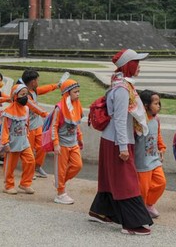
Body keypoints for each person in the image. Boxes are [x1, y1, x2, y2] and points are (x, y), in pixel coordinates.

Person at [89, 49, 153, 236]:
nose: (139, 66)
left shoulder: (120, 84)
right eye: (136, 62)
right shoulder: (123, 89)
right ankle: (131, 223)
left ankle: (101, 210)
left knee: (111, 178)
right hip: (118, 141)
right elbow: (119, 120)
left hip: (114, 139)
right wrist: (123, 147)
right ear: (128, 65)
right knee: (127, 181)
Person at [18, 69, 62, 178]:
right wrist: (48, 115)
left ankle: (37, 166)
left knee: (42, 146)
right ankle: (28, 171)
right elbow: (34, 106)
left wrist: (56, 86)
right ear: (32, 82)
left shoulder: (34, 90)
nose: (38, 82)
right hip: (27, 126)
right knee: (28, 150)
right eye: (37, 80)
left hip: (37, 124)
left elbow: (44, 89)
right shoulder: (24, 94)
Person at [50, 79, 83, 204]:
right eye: (75, 92)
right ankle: (60, 193)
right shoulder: (59, 108)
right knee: (61, 169)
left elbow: (77, 124)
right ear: (67, 93)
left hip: (73, 143)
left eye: (79, 91)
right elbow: (54, 126)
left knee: (77, 165)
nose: (78, 94)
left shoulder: (77, 105)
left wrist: (80, 138)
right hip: (62, 144)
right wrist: (56, 144)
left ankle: (59, 182)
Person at [135, 90, 167, 218]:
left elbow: (158, 135)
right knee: (143, 188)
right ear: (146, 105)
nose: (158, 106)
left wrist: (162, 148)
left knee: (161, 182)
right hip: (142, 162)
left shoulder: (156, 120)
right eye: (155, 103)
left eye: (159, 103)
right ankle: (140, 210)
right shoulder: (139, 121)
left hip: (154, 159)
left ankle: (149, 204)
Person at [0, 84, 35, 195]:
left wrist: (27, 134)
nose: (25, 97)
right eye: (22, 94)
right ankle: (8, 185)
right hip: (12, 143)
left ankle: (25, 183)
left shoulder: (26, 109)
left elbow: (26, 124)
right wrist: (5, 143)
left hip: (24, 141)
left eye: (26, 94)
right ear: (15, 96)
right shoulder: (8, 112)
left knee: (30, 161)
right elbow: (4, 129)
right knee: (10, 166)